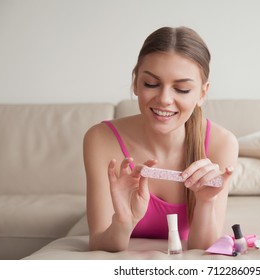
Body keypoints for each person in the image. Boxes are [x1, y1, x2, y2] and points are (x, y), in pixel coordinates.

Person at [83, 26, 238, 252]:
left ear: (202, 93)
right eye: (151, 84)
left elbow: (205, 251)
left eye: (182, 89)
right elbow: (98, 244)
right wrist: (123, 221)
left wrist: (205, 201)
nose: (165, 99)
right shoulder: (100, 139)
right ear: (136, 82)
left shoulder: (221, 143)